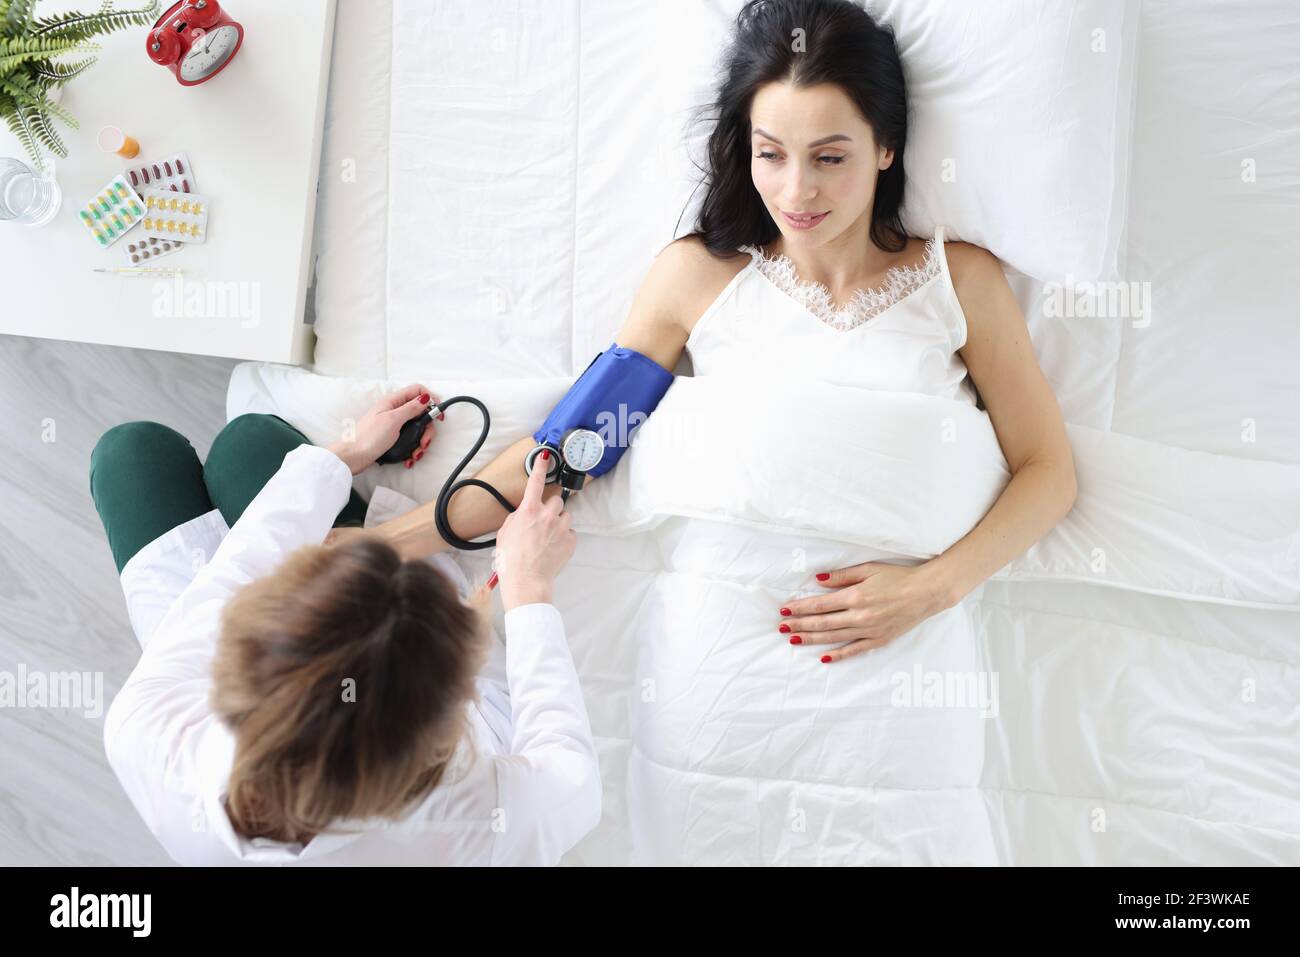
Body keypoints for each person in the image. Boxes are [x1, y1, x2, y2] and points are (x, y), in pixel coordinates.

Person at [91, 385, 600, 865]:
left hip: (186, 666)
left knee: (132, 453)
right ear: (445, 723)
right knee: (250, 448)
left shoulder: (144, 729)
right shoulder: (469, 823)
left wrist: (345, 455)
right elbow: (571, 777)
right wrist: (530, 589)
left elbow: (233, 576)